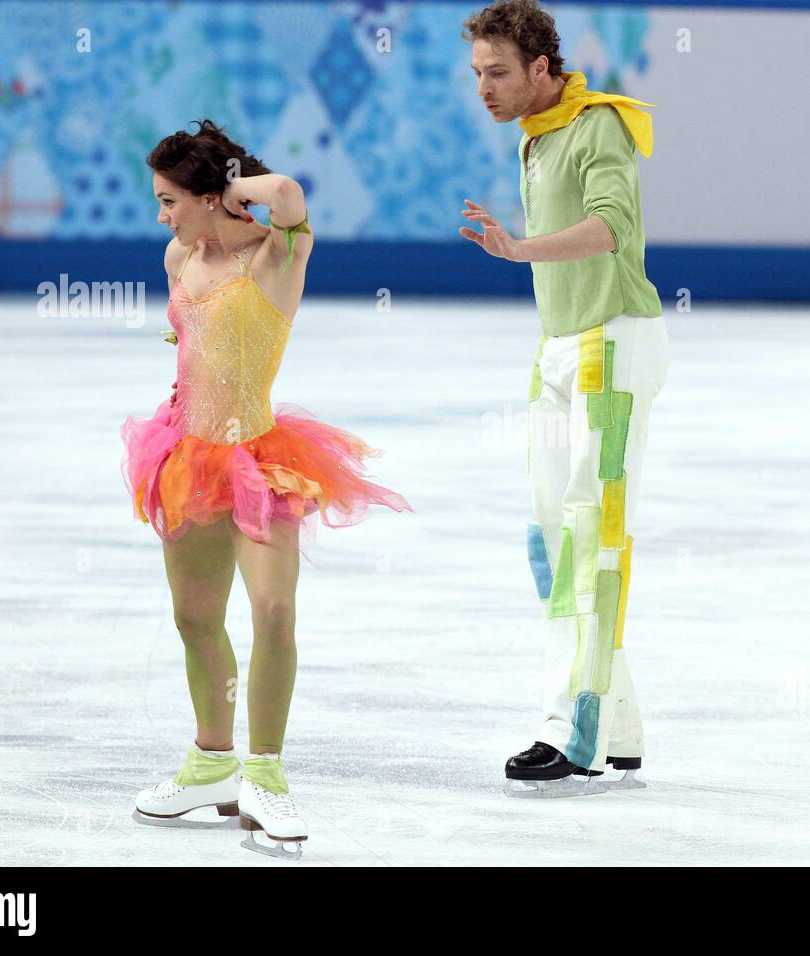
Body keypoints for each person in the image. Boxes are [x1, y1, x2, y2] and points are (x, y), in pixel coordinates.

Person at [123, 119, 412, 857]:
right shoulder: (177, 257)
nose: (162, 215)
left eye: (169, 199)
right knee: (194, 618)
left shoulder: (278, 254)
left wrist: (232, 187)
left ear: (209, 194)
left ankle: (266, 776)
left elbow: (285, 193)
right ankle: (212, 762)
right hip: (186, 454)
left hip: (260, 460)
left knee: (274, 609)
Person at [459, 1, 669, 796]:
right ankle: (618, 726)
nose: (485, 88)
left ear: (543, 68)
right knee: (556, 542)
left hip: (611, 348)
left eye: (499, 72)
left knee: (595, 532)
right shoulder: (538, 136)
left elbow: (614, 226)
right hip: (558, 351)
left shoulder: (599, 126)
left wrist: (519, 248)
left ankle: (571, 730)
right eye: (478, 74)